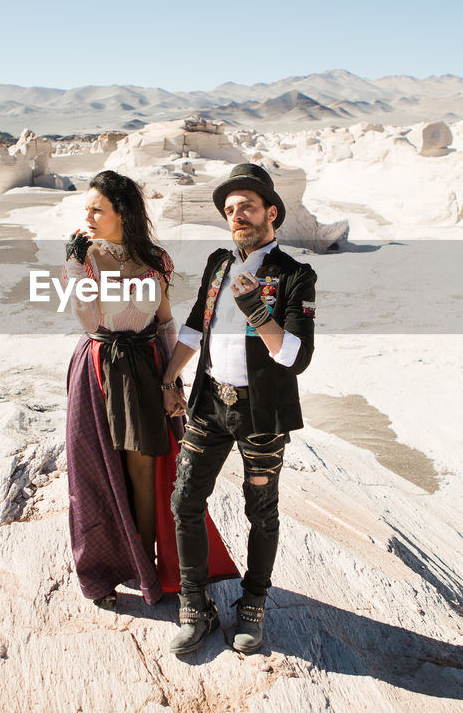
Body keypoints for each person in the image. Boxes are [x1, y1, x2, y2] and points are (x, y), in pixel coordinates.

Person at [160, 163, 317, 655]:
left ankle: (252, 602)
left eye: (247, 206)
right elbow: (193, 326)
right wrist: (170, 379)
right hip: (210, 405)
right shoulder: (219, 264)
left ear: (272, 212)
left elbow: (295, 356)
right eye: (230, 210)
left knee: (261, 511)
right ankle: (194, 604)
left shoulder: (295, 275)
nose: (238, 216)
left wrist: (256, 312)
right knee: (184, 500)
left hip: (261, 416)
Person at [62, 170, 236, 609]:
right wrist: (72, 267)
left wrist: (171, 382)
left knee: (144, 471)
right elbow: (86, 321)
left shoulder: (156, 259)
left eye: (96, 208)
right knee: (97, 471)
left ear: (122, 212)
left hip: (144, 366)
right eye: (87, 208)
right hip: (98, 367)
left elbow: (165, 322)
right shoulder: (86, 259)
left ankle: (146, 569)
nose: (88, 216)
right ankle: (105, 568)